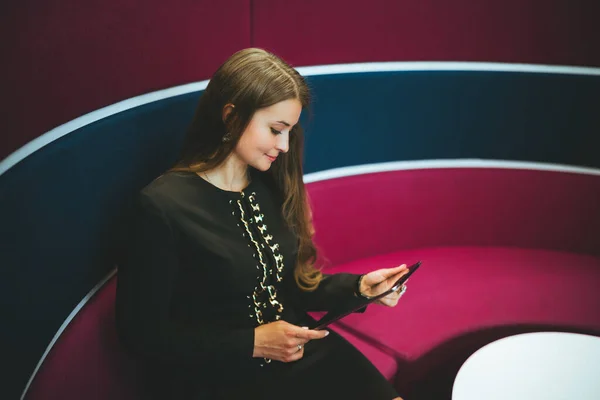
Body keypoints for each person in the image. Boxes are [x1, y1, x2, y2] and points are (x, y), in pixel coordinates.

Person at [116, 48, 409, 399]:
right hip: (223, 377)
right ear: (230, 116)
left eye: (289, 132)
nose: (284, 146)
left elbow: (291, 287)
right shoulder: (162, 205)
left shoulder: (268, 185)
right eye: (275, 129)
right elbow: (141, 335)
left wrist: (361, 288)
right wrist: (254, 343)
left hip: (302, 350)